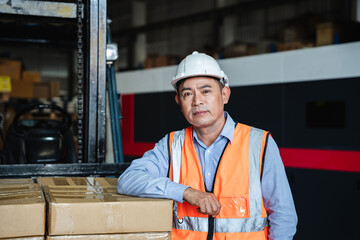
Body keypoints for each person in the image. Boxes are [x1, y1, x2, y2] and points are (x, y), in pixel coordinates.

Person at [117, 51, 297, 239]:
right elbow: (128, 180)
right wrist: (186, 192)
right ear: (179, 101)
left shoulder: (260, 144)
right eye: (188, 94)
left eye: (206, 91)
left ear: (224, 94)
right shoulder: (171, 145)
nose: (197, 101)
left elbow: (283, 216)